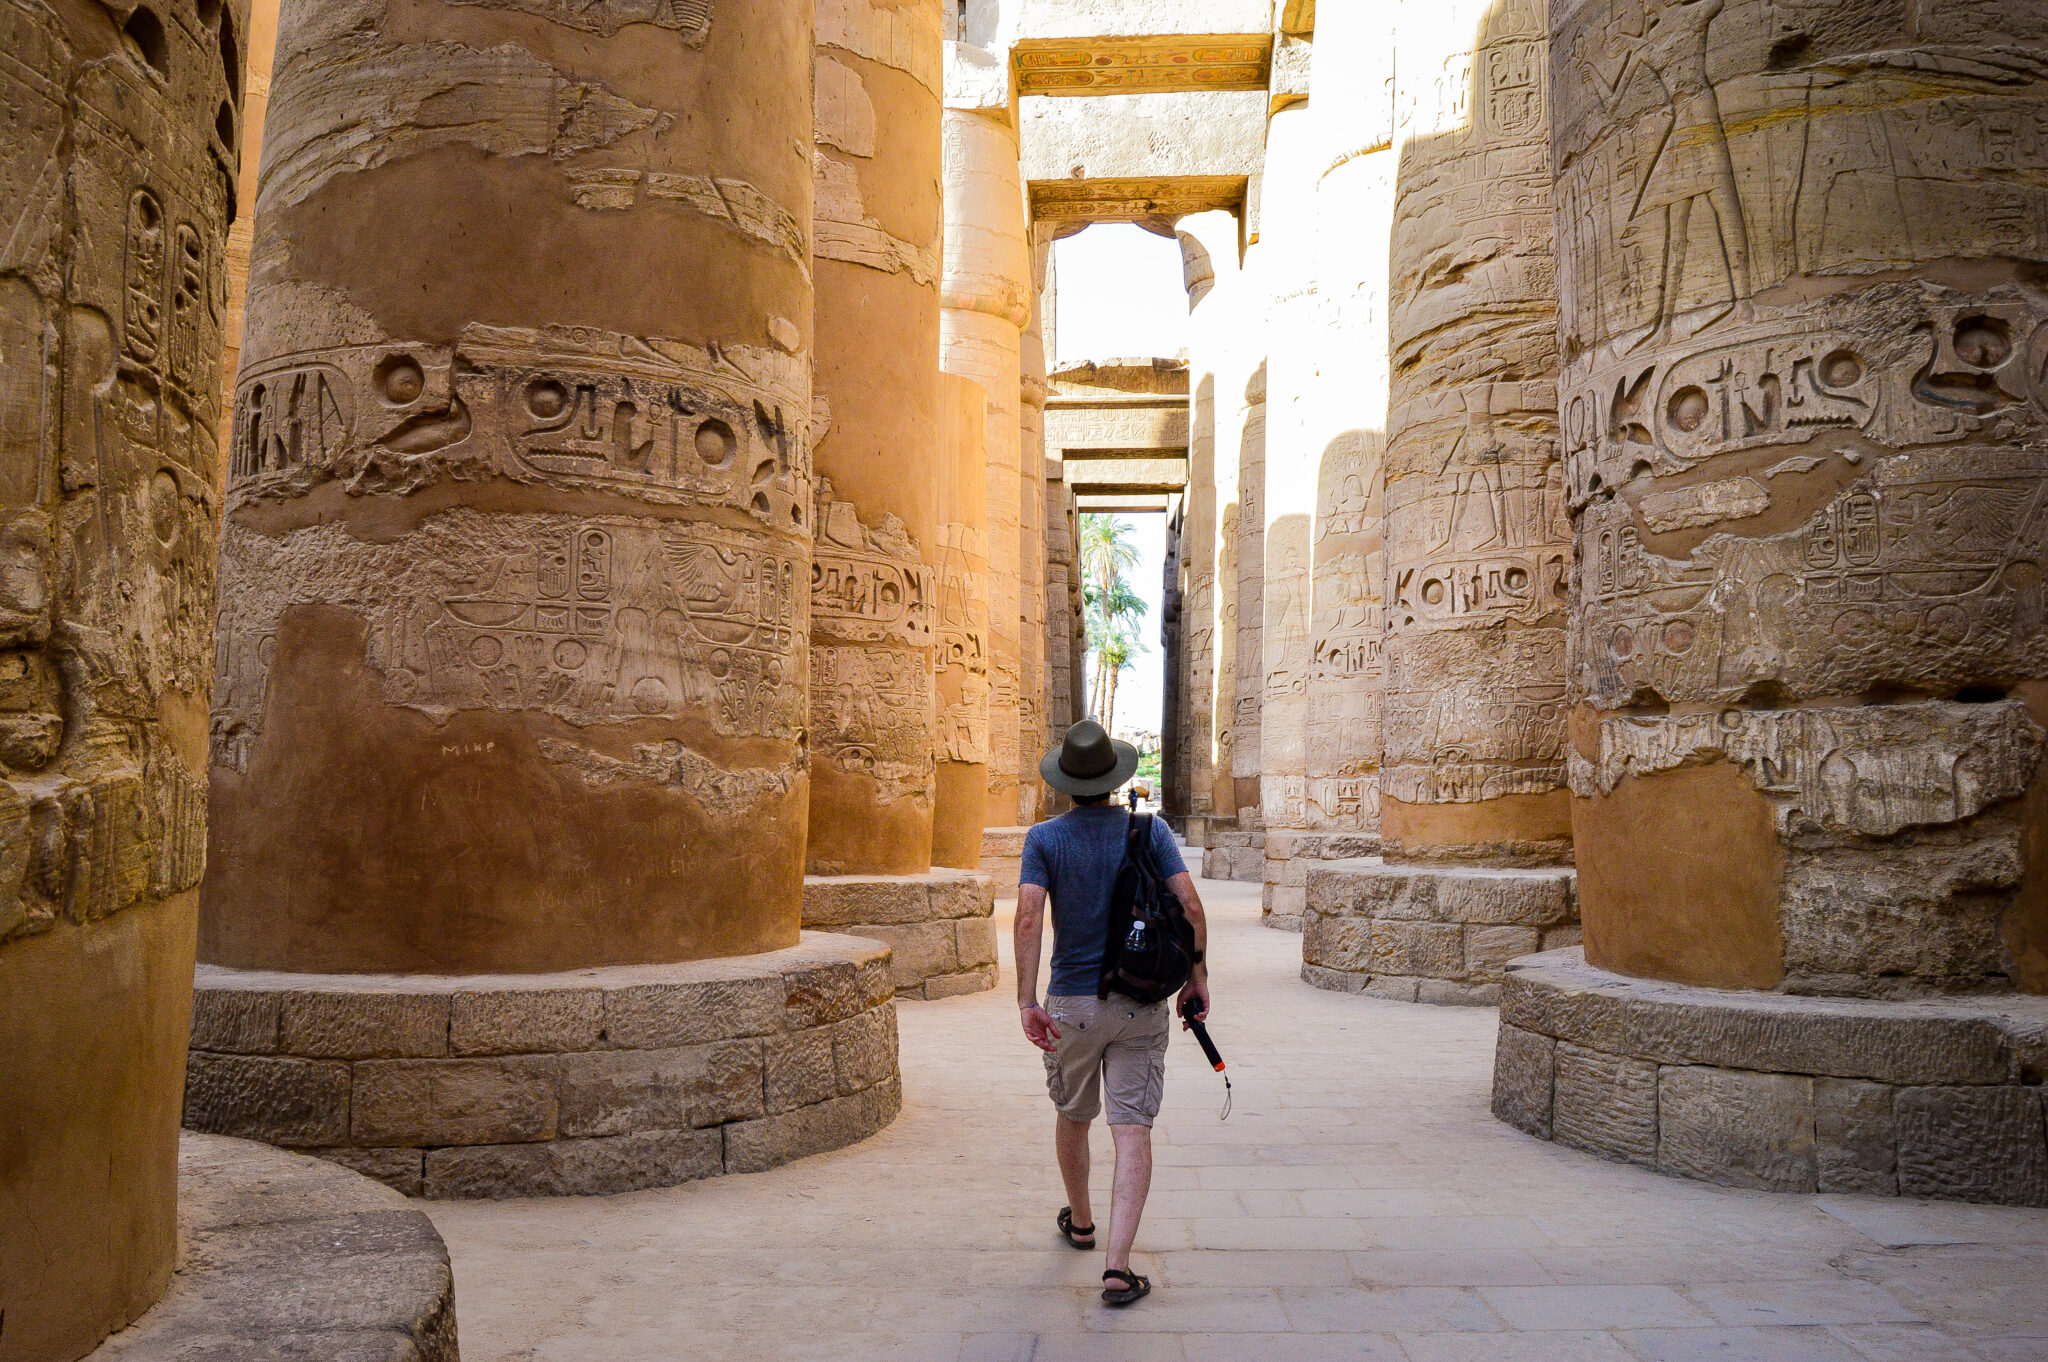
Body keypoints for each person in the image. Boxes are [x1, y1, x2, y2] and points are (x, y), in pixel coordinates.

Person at [1014, 720, 1211, 1307]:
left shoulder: (1043, 839)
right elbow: (1191, 907)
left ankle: (1080, 1222)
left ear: (1065, 783)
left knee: (1074, 1113)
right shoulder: (1148, 831)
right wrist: (1196, 982)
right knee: (1132, 1130)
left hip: (1070, 1004)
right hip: (1139, 1001)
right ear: (1113, 778)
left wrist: (1027, 1000)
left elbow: (1027, 919)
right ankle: (1119, 1268)